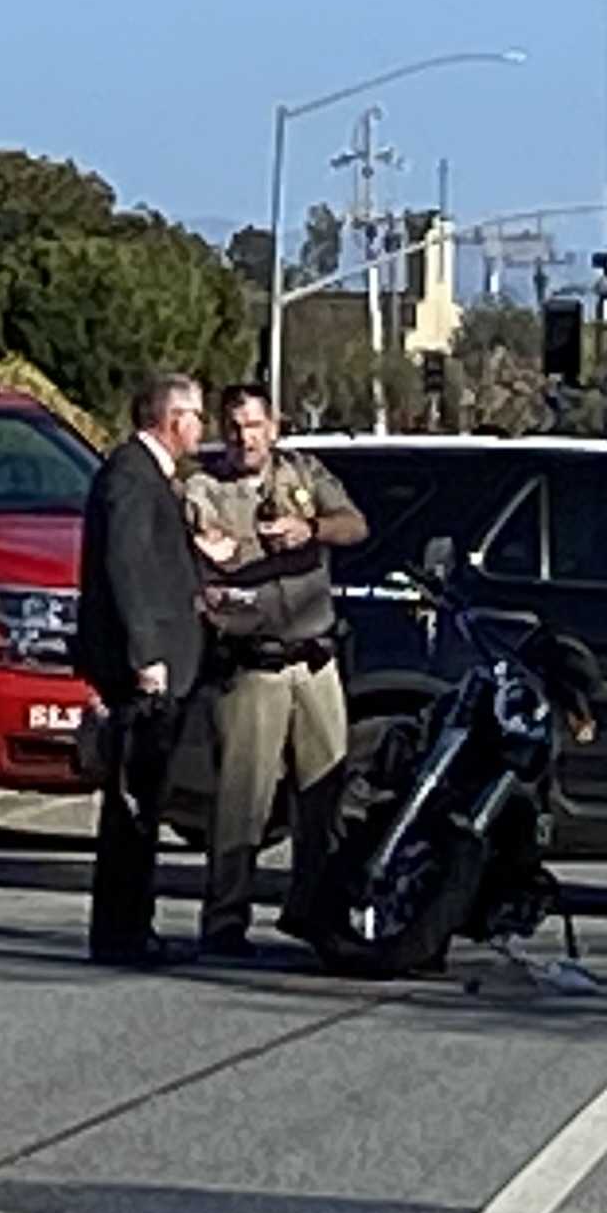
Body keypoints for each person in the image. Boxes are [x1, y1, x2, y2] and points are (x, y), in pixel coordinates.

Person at [185, 383, 368, 959]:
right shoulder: (203, 487)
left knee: (324, 795)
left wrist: (309, 529)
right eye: (235, 427)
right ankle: (224, 919)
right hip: (254, 663)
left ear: (275, 426)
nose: (245, 438)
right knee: (244, 801)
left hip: (314, 661)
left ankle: (316, 911)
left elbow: (356, 524)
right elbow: (197, 552)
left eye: (255, 426)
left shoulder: (304, 474)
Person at [72, 368, 208, 966]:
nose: (202, 429)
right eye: (197, 416)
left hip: (164, 659)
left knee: (147, 803)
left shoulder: (155, 478)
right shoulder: (130, 477)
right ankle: (122, 933)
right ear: (172, 420)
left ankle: (134, 925)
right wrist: (146, 655)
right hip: (142, 670)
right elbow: (126, 568)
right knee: (132, 804)